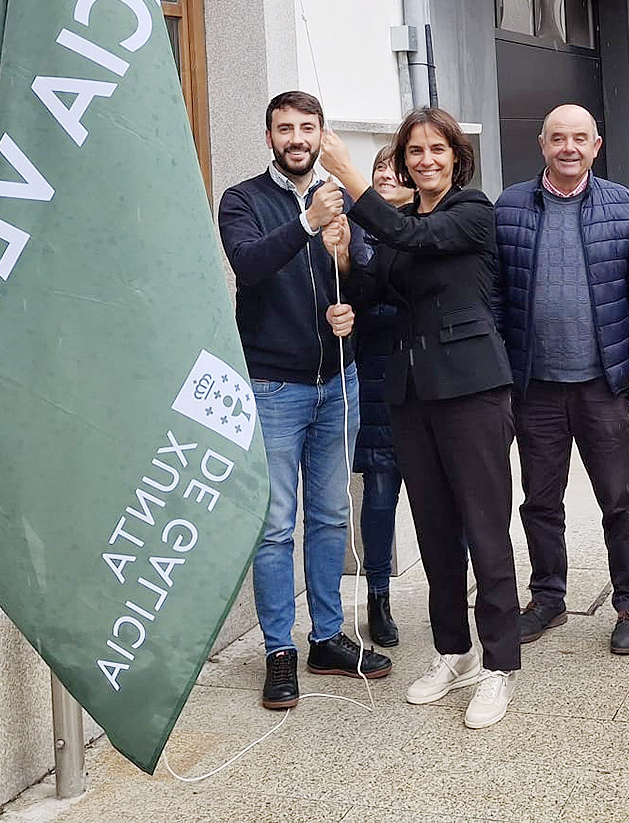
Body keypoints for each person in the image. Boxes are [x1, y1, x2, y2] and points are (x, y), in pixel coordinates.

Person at [320, 109, 522, 730]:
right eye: (414, 151)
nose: (426, 160)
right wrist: (347, 267)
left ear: (456, 157)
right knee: (435, 532)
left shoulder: (473, 211)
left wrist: (352, 178)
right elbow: (376, 285)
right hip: (410, 394)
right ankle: (452, 652)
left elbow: (419, 244)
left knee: (485, 530)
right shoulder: (402, 220)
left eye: (437, 150)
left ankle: (498, 666)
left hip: (472, 391)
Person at [218, 91, 391, 711]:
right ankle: (278, 651)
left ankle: (324, 637)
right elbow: (249, 264)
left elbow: (367, 273)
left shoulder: (339, 197)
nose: (297, 138)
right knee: (273, 526)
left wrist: (353, 300)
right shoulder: (244, 200)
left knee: (329, 517)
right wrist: (307, 224)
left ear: (321, 135)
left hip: (337, 381)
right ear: (269, 137)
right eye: (285, 128)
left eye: (307, 127)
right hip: (274, 386)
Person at [493, 105, 629, 656]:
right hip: (534, 385)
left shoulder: (623, 206)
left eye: (580, 139)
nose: (569, 148)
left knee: (619, 498)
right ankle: (547, 597)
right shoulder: (511, 207)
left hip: (602, 383)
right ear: (542, 144)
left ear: (597, 145)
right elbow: (494, 294)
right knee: (540, 501)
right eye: (558, 139)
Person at [352, 146, 410, 648]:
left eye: (396, 170)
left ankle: (450, 591)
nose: (387, 177)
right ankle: (377, 595)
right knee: (379, 495)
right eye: (379, 170)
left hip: (428, 379)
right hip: (375, 381)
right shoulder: (350, 230)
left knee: (448, 497)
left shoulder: (432, 226)